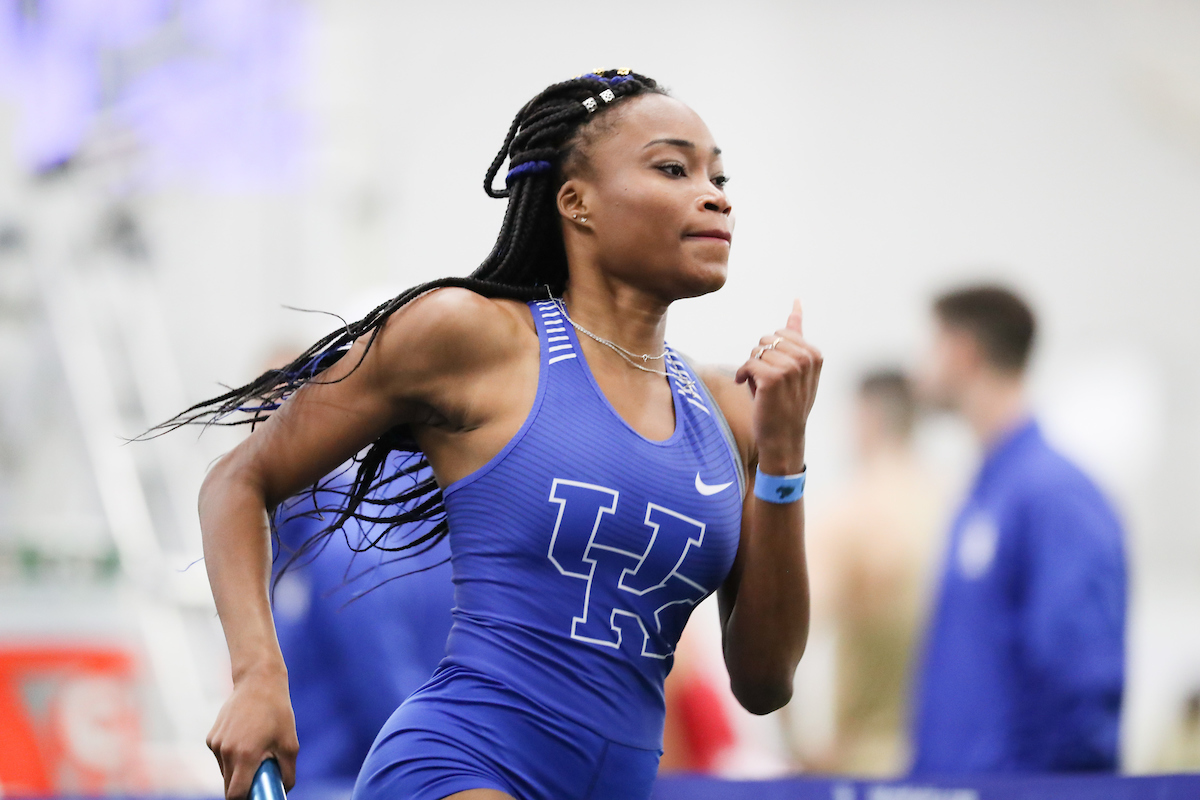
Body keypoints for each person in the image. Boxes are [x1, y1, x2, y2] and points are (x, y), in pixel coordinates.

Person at [170, 70, 823, 800]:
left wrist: (785, 452)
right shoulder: (470, 336)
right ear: (576, 203)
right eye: (673, 168)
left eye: (719, 175)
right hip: (460, 767)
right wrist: (258, 675)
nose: (715, 195)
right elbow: (237, 479)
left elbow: (765, 681)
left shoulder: (729, 411)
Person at [911, 285, 1127, 774]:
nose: (917, 367)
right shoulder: (982, 494)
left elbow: (1079, 683)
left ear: (963, 352)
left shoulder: (1055, 496)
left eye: (930, 346)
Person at [271, 457, 454, 782]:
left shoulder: (349, 553)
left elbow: (388, 703)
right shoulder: (289, 543)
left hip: (344, 783)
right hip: (306, 779)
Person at [801, 370, 945, 776]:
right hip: (950, 761)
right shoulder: (956, 502)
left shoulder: (851, 511)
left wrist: (799, 744)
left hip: (865, 762)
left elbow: (791, 639)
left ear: (866, 418)